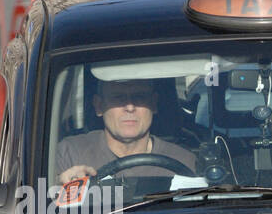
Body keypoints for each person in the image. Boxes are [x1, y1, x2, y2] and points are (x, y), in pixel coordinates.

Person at [58, 78, 197, 183]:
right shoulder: (71, 154)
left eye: (139, 97)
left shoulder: (184, 161)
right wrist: (60, 184)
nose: (130, 107)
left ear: (154, 104)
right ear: (99, 106)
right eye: (118, 98)